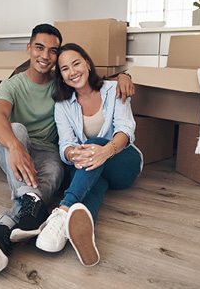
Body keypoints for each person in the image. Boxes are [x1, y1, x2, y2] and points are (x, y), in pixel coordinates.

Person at [0, 24, 135, 275]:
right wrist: (18, 147)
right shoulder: (28, 90)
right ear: (29, 48)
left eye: (53, 51)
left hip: (74, 156)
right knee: (17, 130)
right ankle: (49, 221)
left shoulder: (86, 87)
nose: (45, 56)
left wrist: (126, 76)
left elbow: (114, 110)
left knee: (85, 161)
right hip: (29, 151)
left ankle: (32, 220)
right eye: (39, 48)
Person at [35, 43, 143, 267]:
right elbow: (65, 144)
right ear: (62, 76)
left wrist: (105, 151)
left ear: (88, 63)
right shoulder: (62, 105)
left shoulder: (114, 89)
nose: (72, 72)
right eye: (65, 69)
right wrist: (73, 154)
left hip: (124, 163)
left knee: (92, 146)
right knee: (95, 179)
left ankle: (63, 211)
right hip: (94, 168)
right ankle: (77, 231)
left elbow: (126, 130)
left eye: (76, 64)